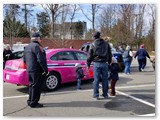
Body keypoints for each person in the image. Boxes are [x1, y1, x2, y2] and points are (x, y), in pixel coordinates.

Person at [23, 32, 48, 108]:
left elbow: (24, 59)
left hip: (30, 69)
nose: (41, 40)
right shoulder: (38, 46)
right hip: (36, 69)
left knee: (31, 85)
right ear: (38, 39)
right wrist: (45, 70)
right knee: (36, 86)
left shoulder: (27, 47)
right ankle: (34, 103)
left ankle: (30, 100)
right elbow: (41, 60)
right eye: (40, 38)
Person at [87, 31, 112, 100]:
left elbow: (90, 55)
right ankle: (105, 94)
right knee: (105, 79)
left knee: (96, 80)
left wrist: (88, 64)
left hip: (96, 63)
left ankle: (96, 95)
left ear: (94, 37)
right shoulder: (106, 44)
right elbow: (109, 54)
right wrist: (109, 62)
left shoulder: (93, 44)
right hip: (104, 63)